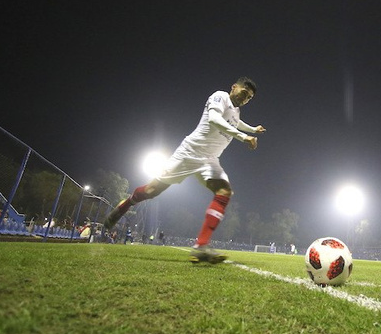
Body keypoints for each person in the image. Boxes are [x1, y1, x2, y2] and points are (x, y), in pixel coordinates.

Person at [102, 77, 265, 264]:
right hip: (188, 153)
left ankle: (201, 246)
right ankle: (126, 204)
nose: (245, 99)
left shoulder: (236, 111)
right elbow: (214, 119)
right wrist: (243, 137)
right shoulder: (220, 96)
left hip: (209, 160)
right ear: (234, 87)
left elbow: (237, 122)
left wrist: (252, 129)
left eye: (249, 98)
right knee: (151, 191)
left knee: (224, 192)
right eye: (244, 93)